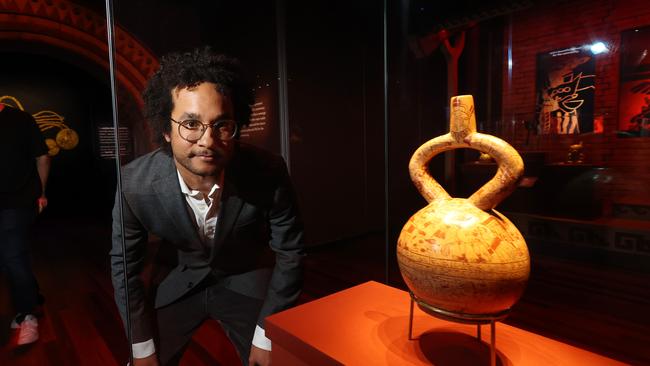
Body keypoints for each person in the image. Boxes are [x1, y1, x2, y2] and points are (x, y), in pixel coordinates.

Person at [110, 47, 304, 366]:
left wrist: (266, 336)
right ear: (165, 130)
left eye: (221, 125)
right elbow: (124, 265)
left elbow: (291, 251)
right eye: (191, 124)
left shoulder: (267, 171)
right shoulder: (135, 183)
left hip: (245, 276)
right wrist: (141, 349)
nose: (207, 141)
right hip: (176, 281)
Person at [0, 103, 51, 345]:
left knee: (12, 255)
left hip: (18, 201)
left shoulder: (20, 119)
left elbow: (42, 156)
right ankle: (32, 298)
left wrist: (41, 192)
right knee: (10, 256)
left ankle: (26, 315)